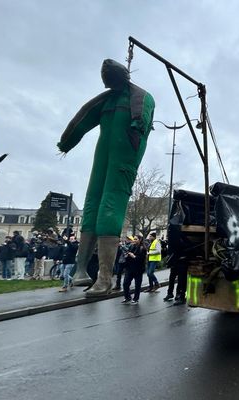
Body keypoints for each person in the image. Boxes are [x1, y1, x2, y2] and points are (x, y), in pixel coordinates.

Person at [57, 59, 155, 297]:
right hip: (104, 156)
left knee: (110, 206)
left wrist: (137, 125)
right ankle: (81, 271)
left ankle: (105, 278)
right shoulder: (107, 100)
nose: (107, 83)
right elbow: (82, 120)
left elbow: (141, 117)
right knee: (92, 203)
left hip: (124, 158)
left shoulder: (141, 97)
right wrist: (66, 142)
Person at [122, 235, 147, 304]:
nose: (134, 240)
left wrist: (134, 256)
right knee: (125, 283)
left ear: (140, 240)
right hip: (129, 268)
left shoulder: (143, 248)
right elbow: (127, 255)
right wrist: (127, 256)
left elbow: (142, 259)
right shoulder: (131, 246)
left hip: (138, 269)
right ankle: (127, 297)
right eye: (134, 239)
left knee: (137, 285)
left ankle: (136, 298)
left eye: (136, 239)